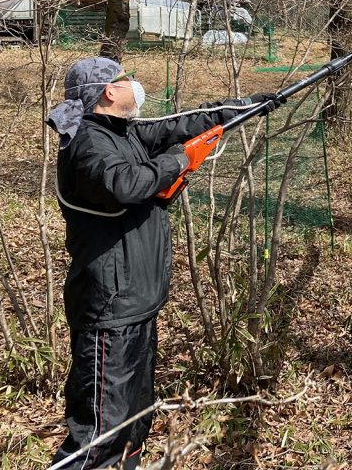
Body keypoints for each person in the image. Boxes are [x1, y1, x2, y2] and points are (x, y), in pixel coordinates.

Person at [45, 57, 282, 469]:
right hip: (109, 312)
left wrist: (244, 108)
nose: (135, 85)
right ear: (109, 91)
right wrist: (178, 161)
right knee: (99, 435)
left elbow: (182, 125)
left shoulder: (124, 133)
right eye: (127, 79)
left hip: (136, 304)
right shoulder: (88, 142)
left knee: (133, 423)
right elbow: (125, 184)